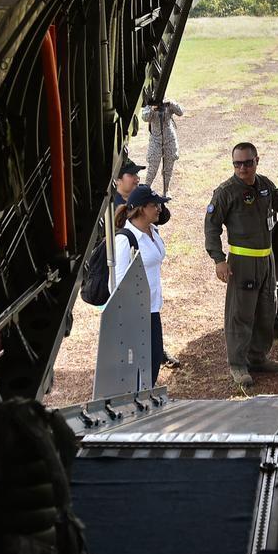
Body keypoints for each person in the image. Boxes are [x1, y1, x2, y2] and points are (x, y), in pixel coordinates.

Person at [205, 142, 278, 387]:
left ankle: (257, 358)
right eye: (237, 164)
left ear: (257, 160)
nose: (242, 168)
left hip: (266, 259)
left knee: (267, 309)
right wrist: (218, 259)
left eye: (247, 163)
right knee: (241, 313)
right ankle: (238, 365)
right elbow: (212, 227)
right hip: (242, 260)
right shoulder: (226, 192)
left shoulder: (265, 186)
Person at [112, 185, 181, 384]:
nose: (159, 209)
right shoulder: (125, 240)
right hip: (134, 313)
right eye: (155, 205)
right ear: (141, 208)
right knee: (136, 371)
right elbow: (115, 284)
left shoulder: (153, 231)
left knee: (152, 363)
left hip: (152, 308)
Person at [140, 96, 184, 195]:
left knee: (168, 166)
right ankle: (145, 190)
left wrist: (171, 103)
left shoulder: (168, 101)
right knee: (153, 166)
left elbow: (180, 112)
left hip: (169, 139)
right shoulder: (150, 103)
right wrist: (152, 108)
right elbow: (145, 117)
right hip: (155, 140)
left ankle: (166, 190)